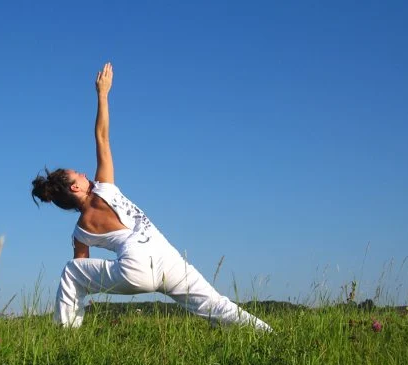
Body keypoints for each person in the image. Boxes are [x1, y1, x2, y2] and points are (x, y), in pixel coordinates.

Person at [31, 62, 272, 331]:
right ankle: (268, 335)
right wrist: (103, 94)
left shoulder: (80, 232)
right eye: (78, 174)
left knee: (71, 273)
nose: (85, 173)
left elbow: (82, 272)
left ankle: (65, 335)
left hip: (137, 269)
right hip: (166, 258)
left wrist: (83, 291)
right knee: (217, 305)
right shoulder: (104, 188)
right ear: (75, 188)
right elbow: (102, 137)